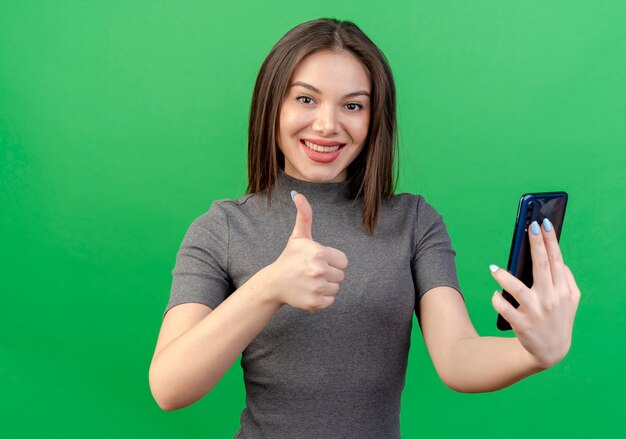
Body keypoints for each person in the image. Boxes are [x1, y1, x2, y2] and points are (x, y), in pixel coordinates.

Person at [149, 18, 580, 438]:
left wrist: (535, 352)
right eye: (305, 99)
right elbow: (169, 387)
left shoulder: (414, 222)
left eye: (352, 105)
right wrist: (268, 288)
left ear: (375, 119)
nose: (327, 125)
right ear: (272, 104)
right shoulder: (222, 228)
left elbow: (458, 359)